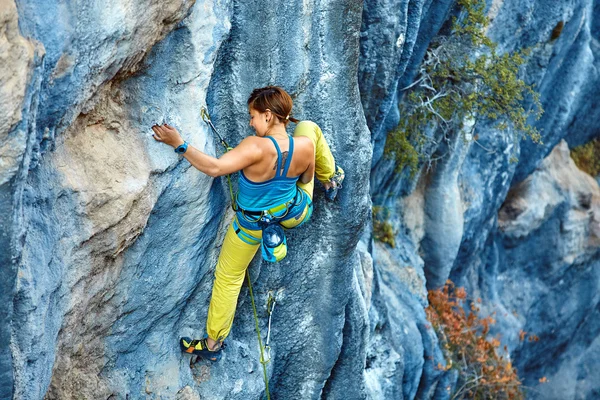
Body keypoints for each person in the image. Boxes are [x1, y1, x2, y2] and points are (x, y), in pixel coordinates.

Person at [151, 86, 344, 361]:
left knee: (229, 277)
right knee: (310, 128)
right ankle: (331, 178)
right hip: (295, 212)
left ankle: (213, 345)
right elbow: (303, 181)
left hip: (253, 226)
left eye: (252, 116)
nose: (251, 123)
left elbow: (214, 168)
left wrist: (178, 143)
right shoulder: (304, 146)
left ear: (268, 115)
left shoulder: (253, 147)